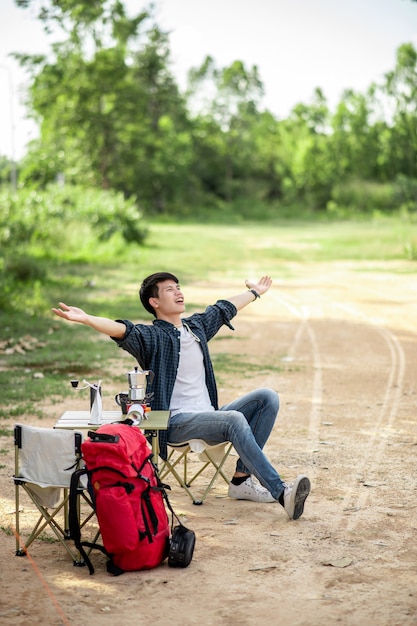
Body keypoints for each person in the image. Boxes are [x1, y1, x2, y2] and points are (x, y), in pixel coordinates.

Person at [52, 272, 310, 520]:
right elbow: (122, 329)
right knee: (233, 419)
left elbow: (223, 308)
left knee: (267, 397)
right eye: (169, 289)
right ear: (155, 302)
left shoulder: (195, 327)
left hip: (210, 416)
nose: (178, 292)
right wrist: (87, 319)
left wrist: (254, 292)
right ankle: (282, 493)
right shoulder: (152, 337)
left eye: (178, 287)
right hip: (175, 422)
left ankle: (241, 480)